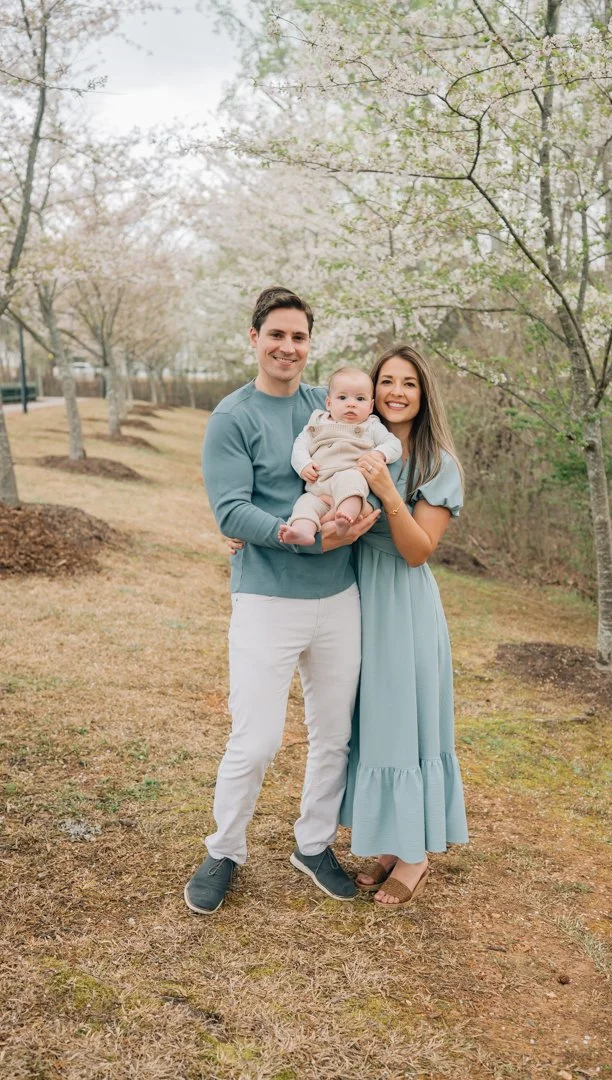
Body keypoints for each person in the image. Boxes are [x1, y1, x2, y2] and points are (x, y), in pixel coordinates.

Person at [183, 286, 381, 915]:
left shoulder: (330, 405)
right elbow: (229, 510)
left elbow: (378, 449)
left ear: (309, 345)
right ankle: (224, 850)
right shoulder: (232, 417)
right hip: (267, 599)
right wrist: (295, 537)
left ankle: (314, 844)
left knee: (334, 734)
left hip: (338, 598)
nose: (287, 347)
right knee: (257, 737)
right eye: (277, 335)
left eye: (299, 337)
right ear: (254, 338)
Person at [339, 344, 469, 907]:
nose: (395, 392)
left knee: (404, 720)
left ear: (423, 394)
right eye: (386, 381)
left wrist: (390, 491)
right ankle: (392, 843)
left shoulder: (438, 462)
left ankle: (414, 859)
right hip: (353, 593)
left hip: (402, 600)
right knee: (372, 720)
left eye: (408, 383)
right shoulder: (354, 438)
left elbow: (418, 551)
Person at [279, 366, 402, 546]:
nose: (351, 404)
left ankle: (345, 518)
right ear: (329, 403)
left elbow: (394, 444)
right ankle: (303, 531)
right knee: (305, 504)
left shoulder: (372, 426)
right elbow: (299, 446)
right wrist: (304, 464)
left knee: (351, 481)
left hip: (349, 477)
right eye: (342, 398)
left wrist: (379, 453)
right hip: (318, 486)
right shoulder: (316, 423)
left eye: (360, 399)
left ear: (370, 406)